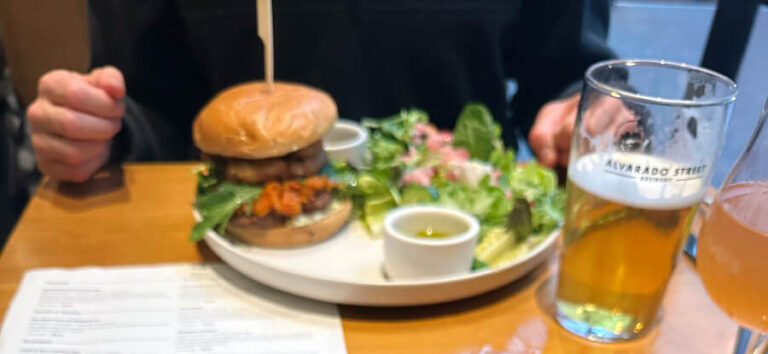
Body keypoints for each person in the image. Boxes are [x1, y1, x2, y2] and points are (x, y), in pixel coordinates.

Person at [26, 0, 613, 184]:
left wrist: (579, 114)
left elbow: (565, 73)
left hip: (470, 251)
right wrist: (98, 130)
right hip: (237, 265)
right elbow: (153, 104)